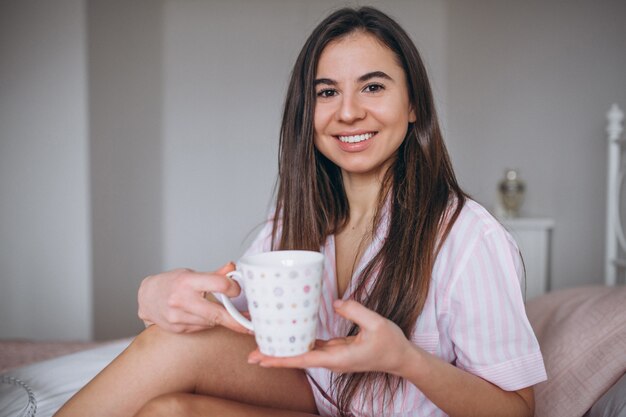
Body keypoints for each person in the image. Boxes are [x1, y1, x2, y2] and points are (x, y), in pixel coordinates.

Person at [54, 6, 546, 417]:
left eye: (373, 87)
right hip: (323, 397)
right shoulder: (299, 216)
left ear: (414, 104)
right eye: (327, 92)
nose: (348, 112)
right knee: (168, 399)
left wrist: (405, 360)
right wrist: (158, 294)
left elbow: (518, 409)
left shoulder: (468, 237)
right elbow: (237, 305)